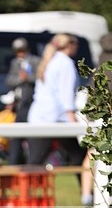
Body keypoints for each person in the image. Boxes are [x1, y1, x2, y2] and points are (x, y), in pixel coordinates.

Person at [26, 33, 86, 172]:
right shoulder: (65, 63)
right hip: (58, 119)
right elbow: (66, 94)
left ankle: (23, 192)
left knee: (35, 161)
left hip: (39, 116)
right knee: (79, 158)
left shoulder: (49, 60)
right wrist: (73, 120)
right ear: (69, 45)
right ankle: (87, 193)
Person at [5, 37, 40, 165]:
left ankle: (32, 161)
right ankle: (13, 162)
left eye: (22, 51)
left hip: (31, 103)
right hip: (19, 103)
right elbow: (9, 80)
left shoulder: (36, 61)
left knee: (30, 135)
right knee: (16, 135)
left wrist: (28, 78)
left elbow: (40, 78)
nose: (20, 54)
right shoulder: (15, 63)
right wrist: (20, 79)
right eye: (17, 51)